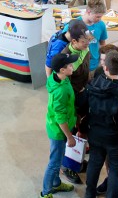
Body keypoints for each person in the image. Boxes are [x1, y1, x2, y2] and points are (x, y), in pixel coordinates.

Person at [84, 50, 118, 198]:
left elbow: (84, 109)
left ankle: (89, 193)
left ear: (105, 67)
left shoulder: (92, 85)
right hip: (114, 139)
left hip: (94, 134)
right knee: (114, 169)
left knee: (94, 163)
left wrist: (83, 128)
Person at [40, 53, 80, 198]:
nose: (72, 66)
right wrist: (70, 137)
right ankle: (45, 193)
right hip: (58, 131)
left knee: (58, 157)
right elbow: (60, 118)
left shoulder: (58, 78)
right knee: (54, 163)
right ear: (62, 70)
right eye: (69, 65)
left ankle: (56, 183)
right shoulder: (60, 91)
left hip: (57, 126)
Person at [79, 0, 108, 74]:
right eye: (97, 17)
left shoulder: (101, 25)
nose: (99, 19)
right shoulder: (75, 24)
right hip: (78, 66)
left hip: (94, 65)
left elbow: (102, 43)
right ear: (88, 12)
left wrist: (103, 59)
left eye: (101, 17)